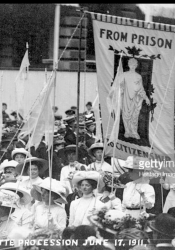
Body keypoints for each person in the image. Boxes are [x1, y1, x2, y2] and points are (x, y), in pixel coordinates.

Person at [120, 58, 150, 139]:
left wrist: (146, 98)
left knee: (134, 116)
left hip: (135, 99)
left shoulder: (138, 76)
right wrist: (120, 89)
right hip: (126, 98)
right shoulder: (124, 75)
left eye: (134, 65)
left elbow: (141, 89)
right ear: (128, 65)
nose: (132, 66)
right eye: (131, 64)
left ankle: (134, 131)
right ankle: (127, 131)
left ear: (136, 66)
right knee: (126, 115)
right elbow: (119, 86)